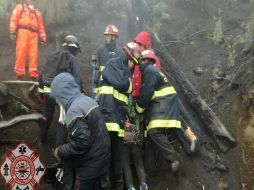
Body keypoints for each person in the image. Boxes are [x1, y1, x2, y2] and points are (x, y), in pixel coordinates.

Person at [51, 72, 111, 190]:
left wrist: (60, 151)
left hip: (91, 165)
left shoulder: (74, 110)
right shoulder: (87, 100)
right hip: (103, 158)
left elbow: (82, 142)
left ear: (61, 94)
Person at [96, 42, 141, 190]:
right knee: (107, 154)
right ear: (126, 55)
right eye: (131, 62)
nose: (132, 66)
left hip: (122, 121)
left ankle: (126, 185)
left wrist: (129, 122)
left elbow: (128, 90)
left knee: (122, 154)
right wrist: (128, 85)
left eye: (134, 64)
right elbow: (125, 86)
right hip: (108, 117)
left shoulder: (127, 71)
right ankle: (108, 185)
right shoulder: (112, 64)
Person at [135, 50, 182, 174]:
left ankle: (173, 159)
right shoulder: (154, 71)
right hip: (164, 105)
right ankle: (151, 170)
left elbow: (147, 93)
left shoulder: (149, 71)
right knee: (150, 137)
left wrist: (138, 108)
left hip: (163, 105)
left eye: (141, 61)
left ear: (145, 60)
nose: (139, 65)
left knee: (154, 132)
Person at [38, 35, 82, 145]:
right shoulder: (72, 59)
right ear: (73, 47)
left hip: (47, 91)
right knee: (62, 120)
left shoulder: (52, 56)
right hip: (62, 94)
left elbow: (42, 74)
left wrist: (40, 92)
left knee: (47, 116)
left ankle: (41, 140)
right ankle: (60, 149)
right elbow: (77, 79)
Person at [9, 0, 46, 80]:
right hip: (22, 32)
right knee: (21, 52)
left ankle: (33, 75)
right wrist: (12, 31)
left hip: (34, 35)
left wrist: (43, 38)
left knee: (34, 54)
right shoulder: (20, 8)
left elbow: (41, 26)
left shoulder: (37, 12)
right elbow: (14, 20)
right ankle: (20, 75)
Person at [94, 24, 123, 97]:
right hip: (101, 86)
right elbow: (97, 69)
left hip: (114, 88)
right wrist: (95, 85)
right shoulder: (100, 50)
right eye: (106, 35)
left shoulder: (120, 52)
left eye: (108, 35)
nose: (106, 37)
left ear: (114, 37)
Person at [132, 31, 160, 97]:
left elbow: (150, 84)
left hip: (147, 99)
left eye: (139, 44)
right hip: (137, 96)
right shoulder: (138, 58)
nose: (137, 47)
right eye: (136, 44)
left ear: (145, 45)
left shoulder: (153, 60)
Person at [123, 119, 148, 190]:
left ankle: (143, 184)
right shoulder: (119, 125)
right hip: (123, 145)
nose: (126, 122)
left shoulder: (132, 126)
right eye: (125, 120)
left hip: (133, 144)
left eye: (127, 120)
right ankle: (130, 186)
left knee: (139, 162)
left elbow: (138, 135)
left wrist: (132, 126)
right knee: (126, 165)